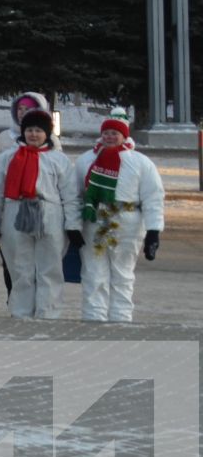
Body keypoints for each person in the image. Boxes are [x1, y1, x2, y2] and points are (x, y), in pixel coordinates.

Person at [0, 107, 78, 319]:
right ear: (23, 132)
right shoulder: (8, 158)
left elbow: (71, 195)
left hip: (49, 215)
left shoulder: (58, 160)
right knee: (20, 268)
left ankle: (48, 314)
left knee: (49, 269)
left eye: (39, 130)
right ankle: (21, 313)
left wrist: (73, 224)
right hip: (15, 213)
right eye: (30, 130)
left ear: (47, 134)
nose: (34, 134)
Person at [77, 119, 164, 323]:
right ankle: (93, 318)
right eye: (106, 133)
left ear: (124, 136)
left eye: (114, 133)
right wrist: (72, 226)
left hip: (127, 223)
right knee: (93, 273)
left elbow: (153, 197)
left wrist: (153, 230)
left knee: (122, 274)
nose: (109, 137)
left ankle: (121, 319)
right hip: (94, 221)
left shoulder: (140, 162)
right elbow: (76, 194)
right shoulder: (87, 160)